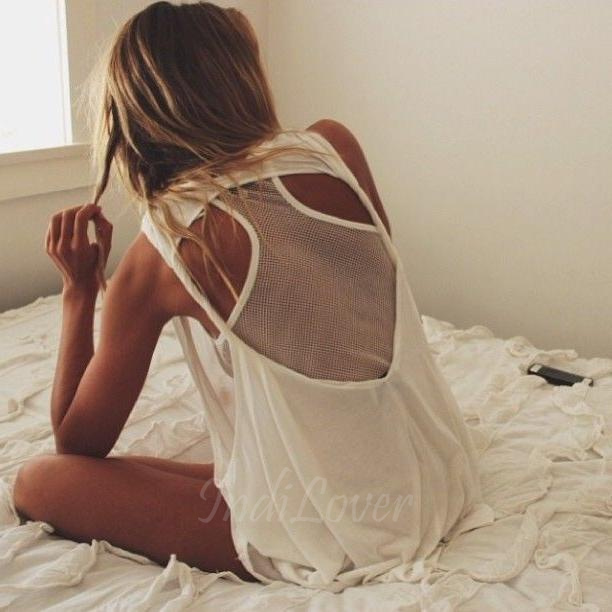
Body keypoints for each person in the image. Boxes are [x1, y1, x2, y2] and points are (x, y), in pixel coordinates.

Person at [13, 1, 489, 591]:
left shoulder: (168, 246)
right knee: (189, 471)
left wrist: (79, 291)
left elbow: (76, 441)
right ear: (239, 79)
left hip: (347, 529)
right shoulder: (332, 146)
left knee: (40, 480)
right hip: (436, 473)